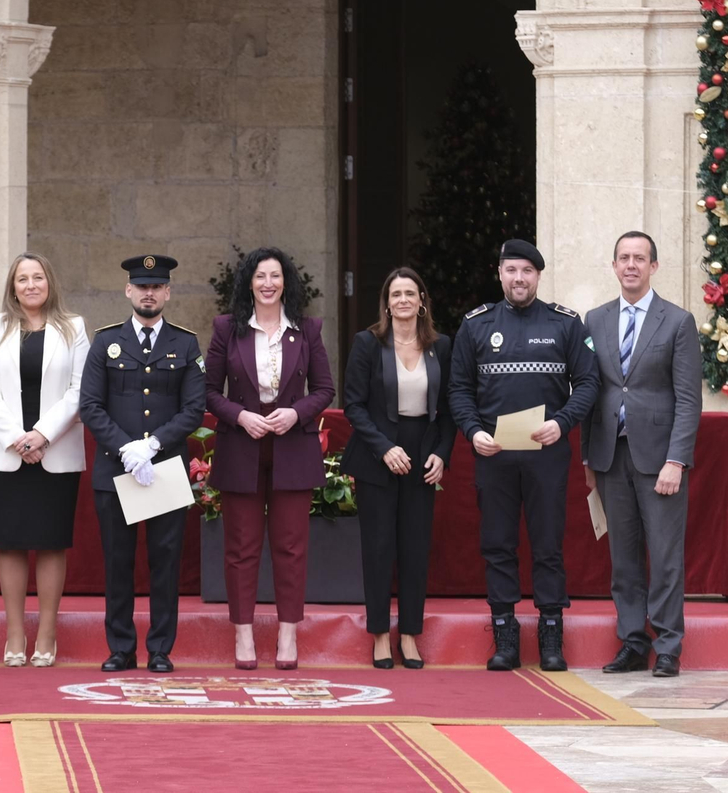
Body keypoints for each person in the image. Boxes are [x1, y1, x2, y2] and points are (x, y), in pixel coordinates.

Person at [448, 240, 599, 672]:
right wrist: (473, 431)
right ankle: (505, 636)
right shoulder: (476, 325)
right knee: (497, 544)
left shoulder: (565, 324)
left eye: (527, 271)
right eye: (511, 270)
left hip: (546, 453)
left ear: (538, 276)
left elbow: (588, 382)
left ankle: (551, 635)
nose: (519, 278)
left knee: (548, 544)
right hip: (493, 454)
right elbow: (458, 389)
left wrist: (562, 422)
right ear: (499, 273)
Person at [204, 248, 334, 671]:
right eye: (260, 276)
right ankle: (243, 632)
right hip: (241, 445)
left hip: (293, 445)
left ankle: (287, 633)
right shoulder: (227, 328)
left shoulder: (307, 329)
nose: (267, 284)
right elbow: (209, 391)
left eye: (275, 276)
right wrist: (240, 416)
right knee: (241, 547)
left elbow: (325, 389)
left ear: (285, 282)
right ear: (249, 282)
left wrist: (296, 413)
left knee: (291, 547)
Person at [580, 232, 702, 678]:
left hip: (659, 461)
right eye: (624, 258)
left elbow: (688, 399)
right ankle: (633, 642)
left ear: (654, 266)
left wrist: (677, 460)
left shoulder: (678, 321)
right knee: (624, 558)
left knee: (665, 556)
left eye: (640, 258)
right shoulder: (595, 320)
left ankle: (668, 646)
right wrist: (587, 459)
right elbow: (590, 392)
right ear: (614, 265)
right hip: (610, 457)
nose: (631, 265)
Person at [79, 255, 205, 674]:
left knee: (165, 563)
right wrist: (126, 449)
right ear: (128, 290)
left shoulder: (185, 344)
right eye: (142, 286)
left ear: (167, 292)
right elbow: (90, 405)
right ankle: (121, 648)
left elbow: (194, 408)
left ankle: (161, 649)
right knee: (118, 562)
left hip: (163, 468)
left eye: (156, 287)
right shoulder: (105, 342)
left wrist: (152, 445)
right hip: (116, 470)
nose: (148, 293)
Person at [0, 253, 89, 667]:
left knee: (51, 542)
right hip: (7, 452)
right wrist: (17, 440)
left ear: (49, 282)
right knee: (10, 543)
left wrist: (41, 435)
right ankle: (14, 633)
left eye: (38, 277)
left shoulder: (73, 327)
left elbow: (80, 389)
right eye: (22, 279)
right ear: (13, 286)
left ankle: (47, 632)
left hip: (56, 450)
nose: (30, 285)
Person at [337, 268, 453, 670]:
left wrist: (442, 453)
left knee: (415, 548)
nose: (403, 300)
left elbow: (450, 408)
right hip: (378, 453)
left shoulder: (441, 346)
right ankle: (380, 635)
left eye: (410, 293)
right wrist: (384, 448)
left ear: (422, 301)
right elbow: (354, 405)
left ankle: (409, 635)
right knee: (379, 547)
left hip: (422, 453)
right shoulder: (367, 343)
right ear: (386, 303)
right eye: (395, 294)